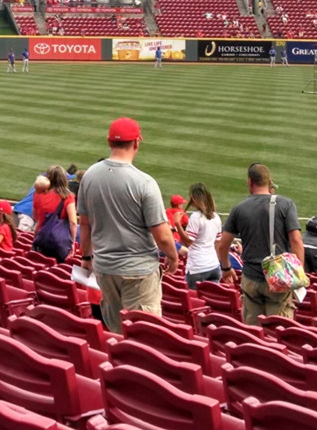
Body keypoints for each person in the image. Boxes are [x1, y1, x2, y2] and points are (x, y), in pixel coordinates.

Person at [77, 117, 178, 333]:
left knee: (117, 332)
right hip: (138, 271)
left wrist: (86, 258)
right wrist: (173, 256)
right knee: (145, 335)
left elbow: (84, 224)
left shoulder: (89, 176)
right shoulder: (144, 182)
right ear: (136, 143)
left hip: (105, 268)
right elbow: (162, 235)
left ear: (109, 142)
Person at [216, 163, 304, 325]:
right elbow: (296, 240)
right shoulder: (286, 204)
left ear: (250, 182)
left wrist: (226, 268)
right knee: (279, 330)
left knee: (253, 330)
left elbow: (223, 245)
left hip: (250, 277)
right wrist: (298, 273)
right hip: (278, 277)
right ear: (270, 183)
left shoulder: (239, 208)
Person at [179, 183, 223, 288]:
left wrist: (177, 224)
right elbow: (217, 243)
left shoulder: (195, 217)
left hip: (197, 267)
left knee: (195, 301)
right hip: (213, 266)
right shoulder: (216, 217)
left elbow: (188, 242)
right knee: (212, 300)